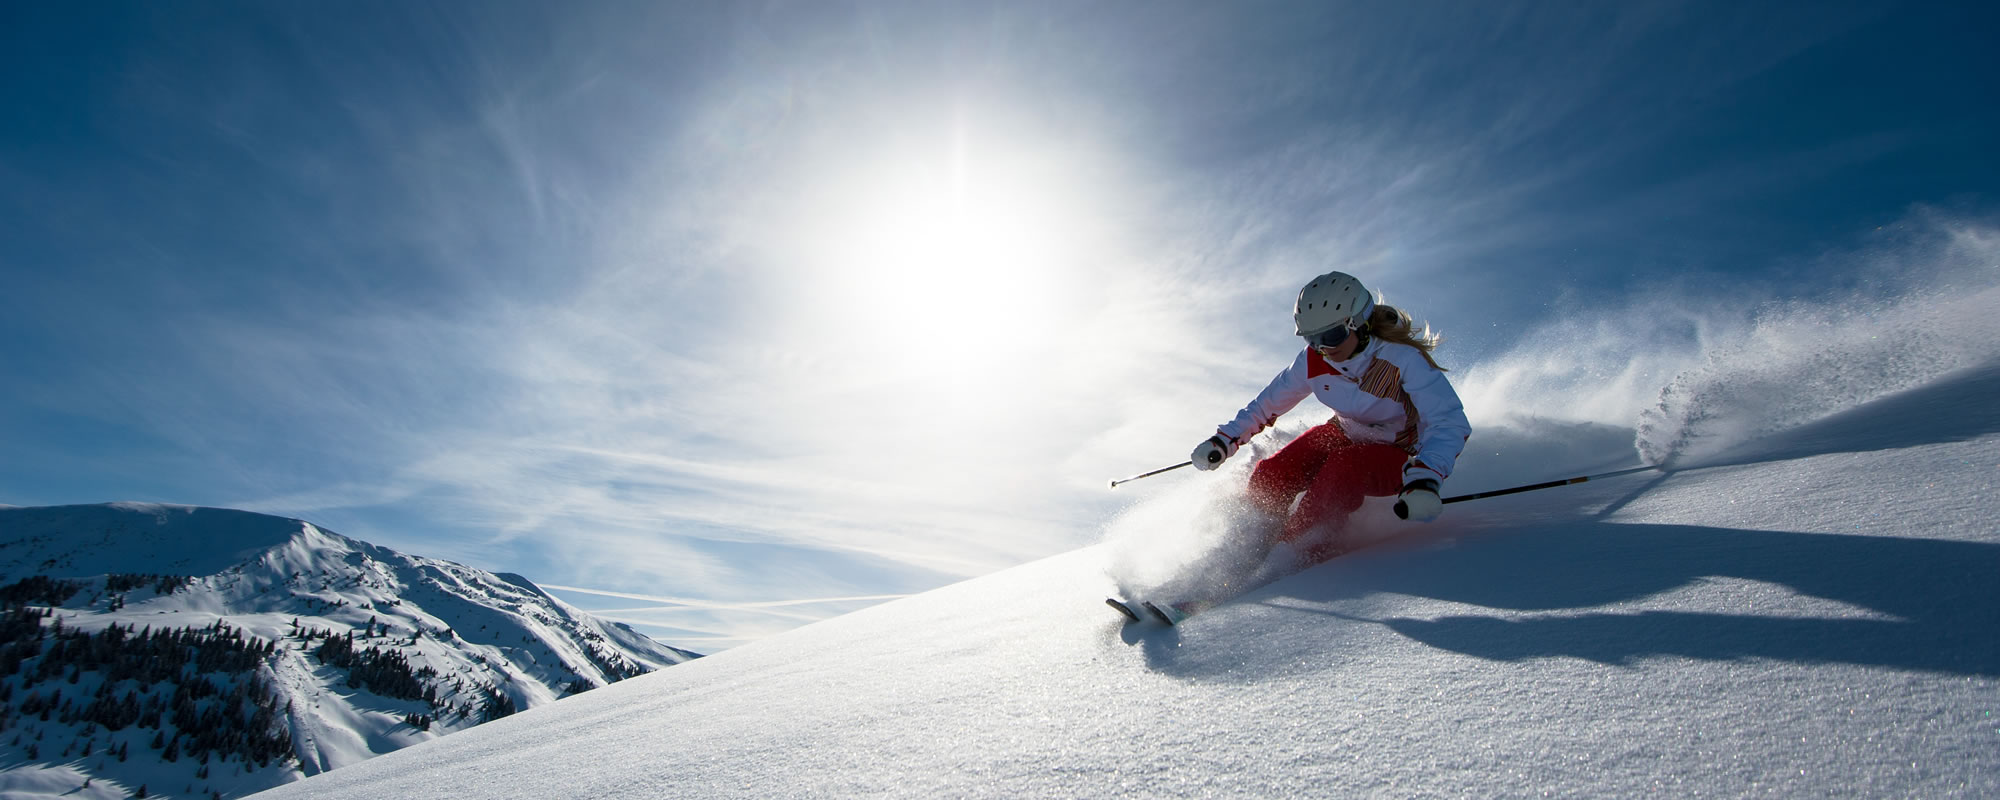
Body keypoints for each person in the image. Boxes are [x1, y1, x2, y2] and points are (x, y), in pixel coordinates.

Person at [1191, 270, 1471, 561]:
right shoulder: (1313, 360)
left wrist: (1426, 478)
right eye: (1312, 339)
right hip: (1346, 431)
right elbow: (1266, 405)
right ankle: (1244, 552)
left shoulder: (1402, 359)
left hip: (1400, 450)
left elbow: (1448, 421)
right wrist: (1225, 440)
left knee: (1342, 470)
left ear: (1359, 325)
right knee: (1273, 474)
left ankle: (1288, 561)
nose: (1322, 348)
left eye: (1332, 336)